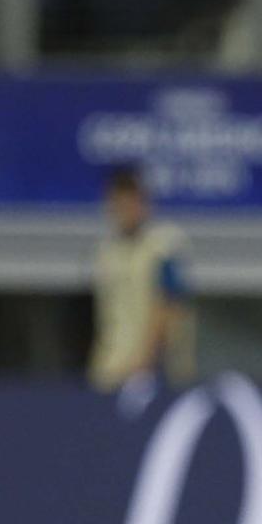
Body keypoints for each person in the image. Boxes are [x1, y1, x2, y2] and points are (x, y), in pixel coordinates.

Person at [88, 166, 196, 403]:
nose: (127, 211)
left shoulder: (163, 247)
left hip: (155, 375)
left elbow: (169, 306)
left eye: (133, 202)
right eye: (120, 204)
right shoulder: (107, 252)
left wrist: (145, 364)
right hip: (111, 371)